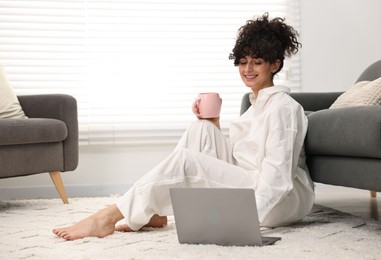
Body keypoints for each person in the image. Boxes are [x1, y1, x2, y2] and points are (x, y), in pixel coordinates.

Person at [53, 13, 315, 240]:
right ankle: (153, 211)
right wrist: (212, 124)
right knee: (199, 129)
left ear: (275, 65)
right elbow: (239, 160)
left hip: (278, 202)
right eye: (243, 61)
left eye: (257, 62)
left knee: (184, 161)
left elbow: (278, 179)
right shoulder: (254, 104)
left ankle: (105, 218)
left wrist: (245, 220)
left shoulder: (283, 107)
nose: (248, 69)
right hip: (252, 183)